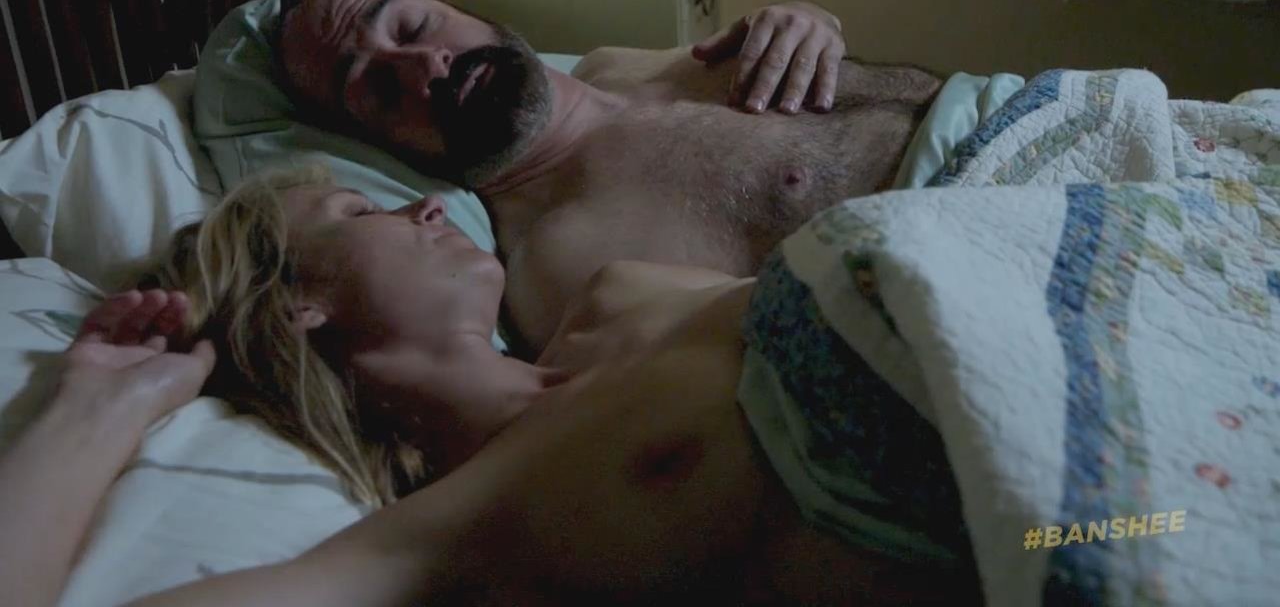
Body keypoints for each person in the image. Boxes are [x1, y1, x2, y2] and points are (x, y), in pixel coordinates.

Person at [0, 168, 976, 606]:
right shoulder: (447, 540)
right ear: (297, 307)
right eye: (359, 211)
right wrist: (96, 406)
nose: (428, 204)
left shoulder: (629, 292)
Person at [280, 0, 943, 355]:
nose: (427, 67)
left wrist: (812, 20)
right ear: (378, 144)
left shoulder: (613, 63)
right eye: (379, 88)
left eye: (412, 26)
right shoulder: (561, 263)